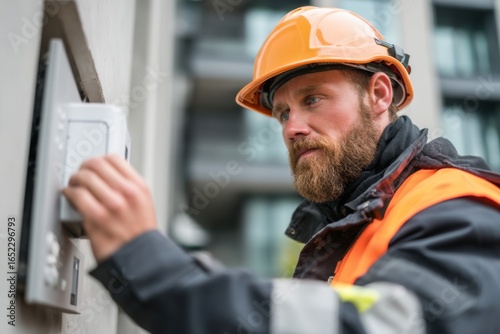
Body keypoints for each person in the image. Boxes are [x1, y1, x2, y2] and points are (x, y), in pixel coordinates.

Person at [64, 6, 500, 334]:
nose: (292, 127)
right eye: (282, 113)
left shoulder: (454, 207)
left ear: (380, 94)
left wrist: (163, 277)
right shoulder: (359, 223)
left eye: (312, 100)